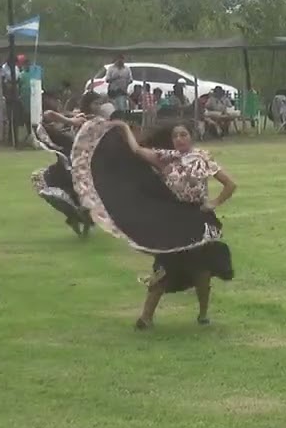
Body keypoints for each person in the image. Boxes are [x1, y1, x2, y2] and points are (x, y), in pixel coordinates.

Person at [71, 120, 237, 329]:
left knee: (202, 270)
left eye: (183, 134)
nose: (179, 139)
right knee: (163, 268)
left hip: (196, 219)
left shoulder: (202, 158)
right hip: (173, 219)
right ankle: (146, 318)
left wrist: (214, 203)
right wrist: (123, 127)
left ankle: (203, 314)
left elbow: (230, 185)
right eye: (176, 136)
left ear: (191, 136)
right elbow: (136, 150)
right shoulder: (165, 159)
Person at [32, 108, 94, 237]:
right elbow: (48, 114)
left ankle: (79, 221)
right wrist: (71, 120)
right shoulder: (60, 136)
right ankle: (78, 219)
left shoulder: (76, 137)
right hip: (67, 171)